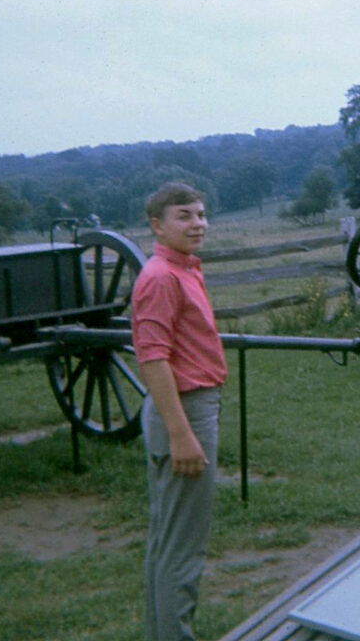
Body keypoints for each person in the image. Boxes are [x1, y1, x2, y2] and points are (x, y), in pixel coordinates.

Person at [132, 182, 227, 641]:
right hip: (184, 411)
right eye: (184, 216)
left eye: (201, 214)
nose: (198, 224)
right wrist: (181, 434)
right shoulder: (161, 277)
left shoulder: (182, 268)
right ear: (157, 225)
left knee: (167, 542)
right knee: (182, 549)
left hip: (188, 407)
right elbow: (152, 358)